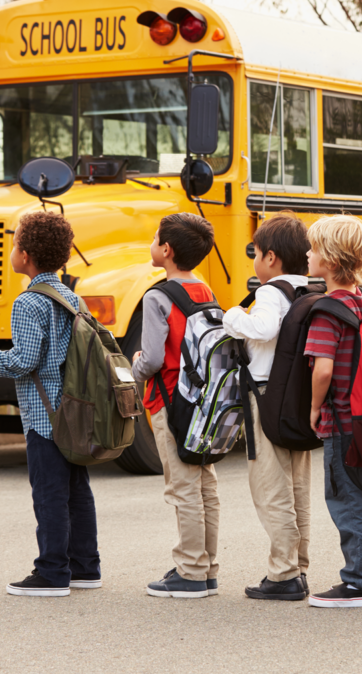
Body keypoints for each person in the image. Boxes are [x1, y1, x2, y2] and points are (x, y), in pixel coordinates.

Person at [0, 212, 98, 597]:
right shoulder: (73, 298)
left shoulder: (28, 302)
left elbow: (23, 361)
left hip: (44, 415)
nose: (12, 249)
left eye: (15, 241)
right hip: (76, 410)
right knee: (77, 488)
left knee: (49, 492)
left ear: (26, 255)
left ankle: (52, 571)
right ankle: (86, 567)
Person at [223, 212, 312, 601]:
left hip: (265, 396)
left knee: (270, 486)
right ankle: (299, 566)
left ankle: (282, 574)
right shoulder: (308, 290)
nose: (255, 262)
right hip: (297, 398)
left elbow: (262, 329)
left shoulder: (269, 292)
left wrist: (232, 317)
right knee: (297, 487)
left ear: (271, 258)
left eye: (256, 254)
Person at [131, 212, 219, 599]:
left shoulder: (157, 296)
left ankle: (191, 572)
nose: (152, 244)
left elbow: (150, 359)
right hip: (202, 403)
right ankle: (206, 565)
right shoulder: (205, 291)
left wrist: (132, 366)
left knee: (182, 487)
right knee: (205, 486)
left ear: (165, 250)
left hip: (169, 400)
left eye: (154, 239)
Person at [302, 215, 362, 608]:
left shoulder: (326, 310)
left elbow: (324, 369)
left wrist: (315, 408)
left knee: (347, 500)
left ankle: (359, 583)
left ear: (331, 261)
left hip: (342, 421)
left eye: (314, 248)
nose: (307, 254)